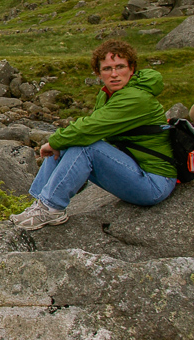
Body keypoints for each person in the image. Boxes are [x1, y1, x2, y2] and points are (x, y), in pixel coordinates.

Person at [10, 39, 177, 230]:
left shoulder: (136, 98)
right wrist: (61, 143)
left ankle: (51, 207)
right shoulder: (108, 94)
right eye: (107, 69)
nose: (114, 74)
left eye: (120, 67)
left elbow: (89, 128)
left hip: (154, 183)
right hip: (134, 169)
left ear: (132, 69)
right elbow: (88, 130)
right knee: (73, 141)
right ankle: (41, 203)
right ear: (98, 73)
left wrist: (53, 142)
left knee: (84, 145)